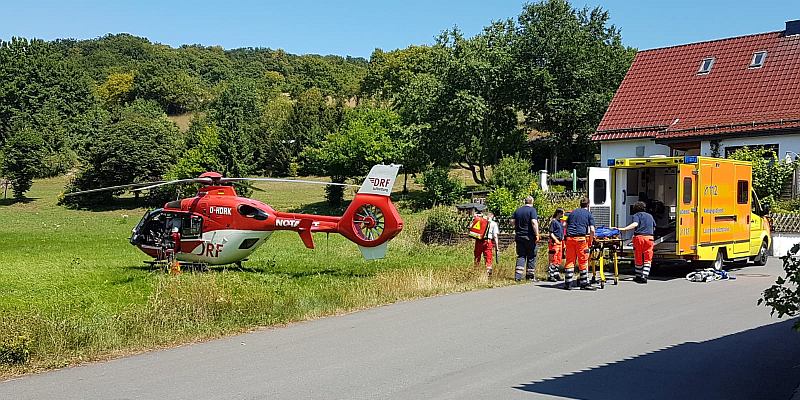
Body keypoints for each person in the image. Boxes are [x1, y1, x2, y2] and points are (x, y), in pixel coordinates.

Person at [618, 201, 656, 284]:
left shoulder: (637, 215)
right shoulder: (650, 216)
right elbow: (653, 228)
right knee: (648, 258)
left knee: (638, 257)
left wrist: (624, 229)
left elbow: (635, 224)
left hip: (639, 238)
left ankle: (638, 276)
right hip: (649, 238)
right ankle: (645, 276)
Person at [564, 198, 596, 290]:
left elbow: (564, 225)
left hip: (570, 239)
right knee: (583, 261)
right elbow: (592, 230)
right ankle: (584, 283)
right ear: (588, 205)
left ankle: (568, 283)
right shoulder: (589, 214)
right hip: (581, 239)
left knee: (570, 260)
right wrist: (590, 240)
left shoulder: (573, 213)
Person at [511, 196, 540, 281]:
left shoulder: (518, 210)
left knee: (521, 255)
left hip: (519, 236)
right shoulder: (532, 210)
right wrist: (537, 234)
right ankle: (530, 276)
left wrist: (517, 227)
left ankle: (518, 276)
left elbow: (512, 221)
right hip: (529, 236)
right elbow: (534, 222)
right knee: (531, 255)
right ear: (532, 202)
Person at [473, 211, 500, 276]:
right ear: (492, 216)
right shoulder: (493, 223)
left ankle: (476, 271)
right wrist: (497, 247)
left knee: (477, 256)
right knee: (488, 257)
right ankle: (488, 272)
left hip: (479, 241)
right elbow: (495, 236)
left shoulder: (480, 222)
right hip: (488, 242)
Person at [547, 208, 565, 282]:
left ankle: (556, 274)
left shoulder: (560, 222)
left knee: (559, 259)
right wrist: (555, 239)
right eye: (562, 214)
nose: (563, 215)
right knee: (553, 258)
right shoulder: (554, 222)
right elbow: (551, 232)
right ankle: (550, 275)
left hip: (560, 242)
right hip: (554, 242)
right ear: (558, 213)